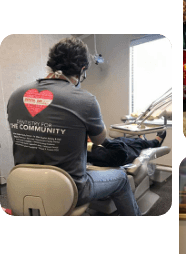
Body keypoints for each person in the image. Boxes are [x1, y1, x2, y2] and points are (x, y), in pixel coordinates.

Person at [7, 37, 141, 216]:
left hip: (20, 186)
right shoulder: (85, 100)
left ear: (52, 64)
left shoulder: (16, 95)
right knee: (122, 178)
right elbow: (100, 139)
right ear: (82, 70)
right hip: (69, 189)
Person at [87, 130, 166, 167]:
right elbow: (121, 153)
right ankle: (156, 142)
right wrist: (101, 140)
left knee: (122, 139)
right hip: (123, 153)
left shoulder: (86, 147)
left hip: (114, 146)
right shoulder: (90, 153)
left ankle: (143, 141)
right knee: (137, 144)